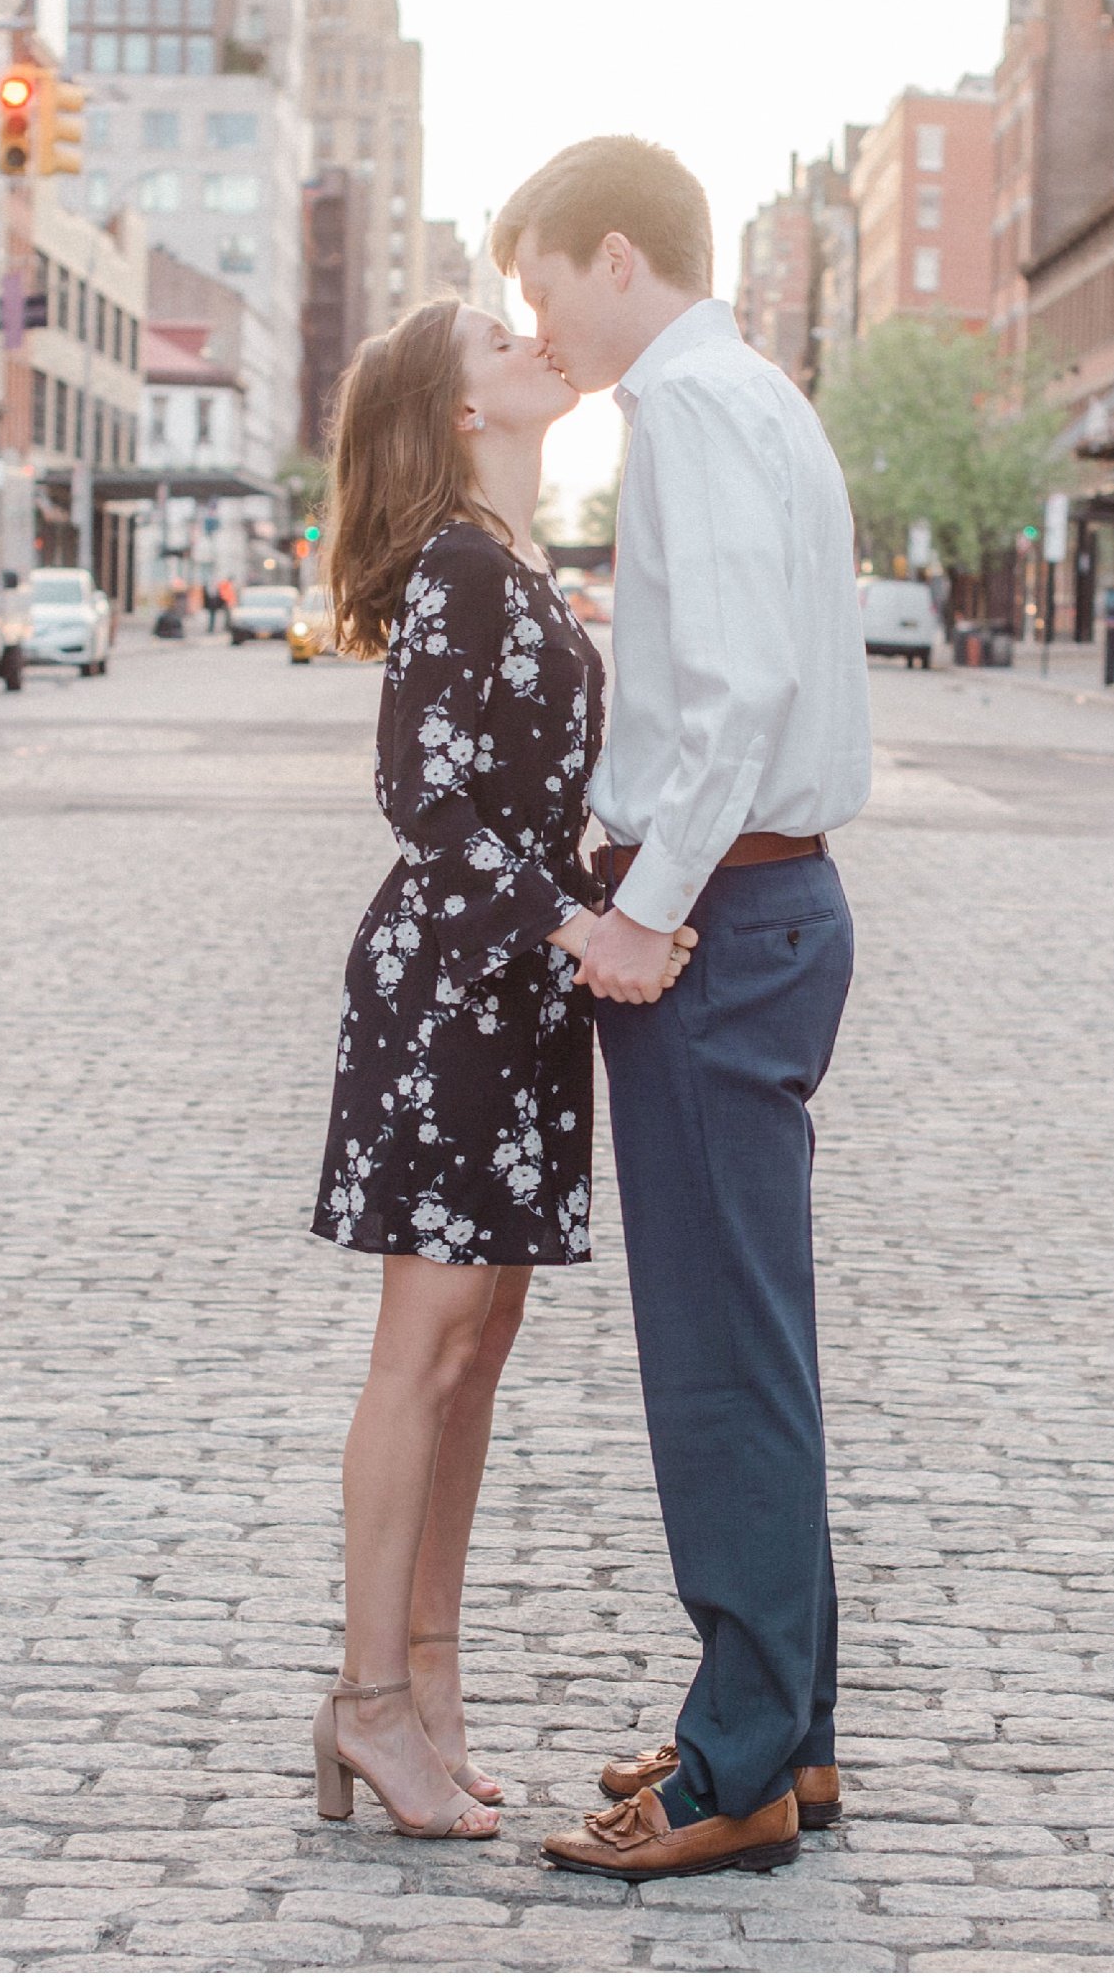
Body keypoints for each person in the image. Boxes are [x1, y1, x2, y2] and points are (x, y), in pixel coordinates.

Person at [490, 137, 872, 1881]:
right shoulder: (748, 394)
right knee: (753, 1335)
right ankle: (783, 1721)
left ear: (617, 255)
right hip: (768, 901)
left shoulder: (694, 409)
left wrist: (644, 912)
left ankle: (738, 1768)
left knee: (721, 1356)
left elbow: (728, 696)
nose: (536, 326)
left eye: (541, 285)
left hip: (721, 913)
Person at [308, 297, 695, 1842]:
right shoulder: (464, 568)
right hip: (455, 987)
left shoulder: (520, 561)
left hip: (522, 991)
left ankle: (430, 1688)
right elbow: (423, 796)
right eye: (493, 335)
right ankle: (366, 1701)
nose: (533, 335)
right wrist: (579, 922)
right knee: (428, 1344)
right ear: (460, 411)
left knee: (479, 1350)